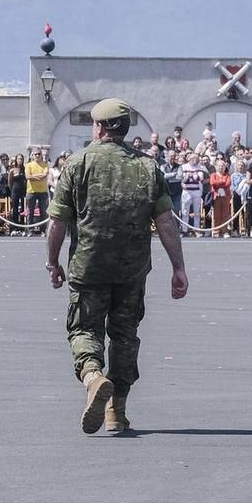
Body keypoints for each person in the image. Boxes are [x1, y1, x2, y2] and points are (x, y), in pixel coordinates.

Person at [45, 98, 188, 436]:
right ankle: (116, 412)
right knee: (125, 336)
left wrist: (52, 262)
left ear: (99, 127)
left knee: (84, 330)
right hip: (131, 270)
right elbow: (166, 221)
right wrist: (178, 268)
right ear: (123, 130)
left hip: (88, 267)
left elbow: (57, 222)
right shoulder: (148, 167)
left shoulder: (78, 163)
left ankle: (94, 377)